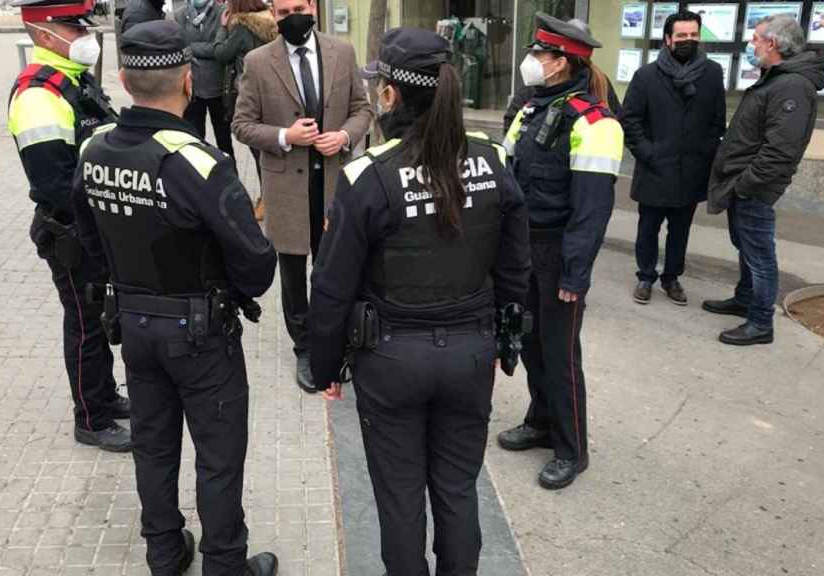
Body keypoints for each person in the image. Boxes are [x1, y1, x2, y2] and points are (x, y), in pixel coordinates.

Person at [309, 27, 530, 575]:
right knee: (457, 488)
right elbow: (515, 266)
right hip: (470, 353)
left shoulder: (369, 176)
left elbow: (332, 284)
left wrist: (324, 365)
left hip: (391, 360)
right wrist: (508, 342)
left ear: (390, 96)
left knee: (400, 495)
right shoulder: (493, 161)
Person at [73, 20, 279, 576]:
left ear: (121, 78)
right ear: (189, 80)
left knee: (155, 445)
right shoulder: (198, 162)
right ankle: (225, 566)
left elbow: (86, 241)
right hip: (201, 336)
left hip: (135, 329)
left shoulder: (93, 148)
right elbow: (258, 263)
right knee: (217, 456)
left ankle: (164, 554)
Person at [496, 13, 623, 490]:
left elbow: (592, 210)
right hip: (523, 249)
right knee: (529, 341)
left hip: (557, 254)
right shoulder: (531, 109)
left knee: (561, 352)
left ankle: (572, 449)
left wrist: (575, 274)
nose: (531, 62)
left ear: (561, 63)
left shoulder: (596, 123)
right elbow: (507, 178)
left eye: (539, 55)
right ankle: (541, 421)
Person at [7, 0, 129, 452]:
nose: (84, 36)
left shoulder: (73, 82)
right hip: (73, 232)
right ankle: (91, 418)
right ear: (42, 33)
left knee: (95, 318)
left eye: (83, 26)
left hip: (92, 227)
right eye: (73, 28)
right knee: (84, 323)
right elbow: (53, 182)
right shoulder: (39, 94)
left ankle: (105, 396)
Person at [232, 0, 372, 393]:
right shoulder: (258, 62)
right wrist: (284, 137)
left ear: (312, 6)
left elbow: (363, 109)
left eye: (299, 7)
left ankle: (341, 339)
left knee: (335, 267)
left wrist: (344, 135)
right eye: (282, 11)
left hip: (334, 183)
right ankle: (306, 347)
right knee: (294, 274)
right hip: (287, 187)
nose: (292, 16)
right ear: (272, 15)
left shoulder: (341, 51)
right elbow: (242, 124)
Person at [703, 15, 824, 346]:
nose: (751, 44)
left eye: (756, 38)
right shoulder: (777, 78)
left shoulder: (792, 85)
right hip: (742, 184)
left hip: (753, 188)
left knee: (759, 255)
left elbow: (779, 151)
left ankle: (760, 323)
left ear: (772, 43)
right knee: (745, 246)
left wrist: (745, 185)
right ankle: (745, 298)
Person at [621, 10, 726, 306]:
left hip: (691, 171)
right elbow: (630, 120)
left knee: (680, 230)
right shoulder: (646, 76)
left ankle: (672, 277)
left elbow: (717, 120)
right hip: (655, 169)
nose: (688, 41)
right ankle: (645, 275)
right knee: (648, 228)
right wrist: (648, 153)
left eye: (694, 35)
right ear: (668, 39)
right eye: (681, 36)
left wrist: (704, 152)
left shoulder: (713, 73)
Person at [192, 0, 277, 206]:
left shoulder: (241, 27)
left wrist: (222, 27)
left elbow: (221, 53)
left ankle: (267, 201)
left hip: (248, 93)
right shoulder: (269, 22)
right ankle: (271, 197)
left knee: (257, 149)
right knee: (265, 148)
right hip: (270, 92)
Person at [502, 18, 620, 134]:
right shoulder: (540, 83)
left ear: (560, 63)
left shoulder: (598, 82)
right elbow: (512, 123)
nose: (531, 59)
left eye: (538, 54)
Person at [174, 0, 234, 158]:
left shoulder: (223, 12)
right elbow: (179, 46)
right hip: (192, 88)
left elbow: (220, 48)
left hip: (218, 87)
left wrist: (192, 48)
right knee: (194, 141)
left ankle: (230, 176)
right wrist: (207, 47)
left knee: (224, 141)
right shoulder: (180, 14)